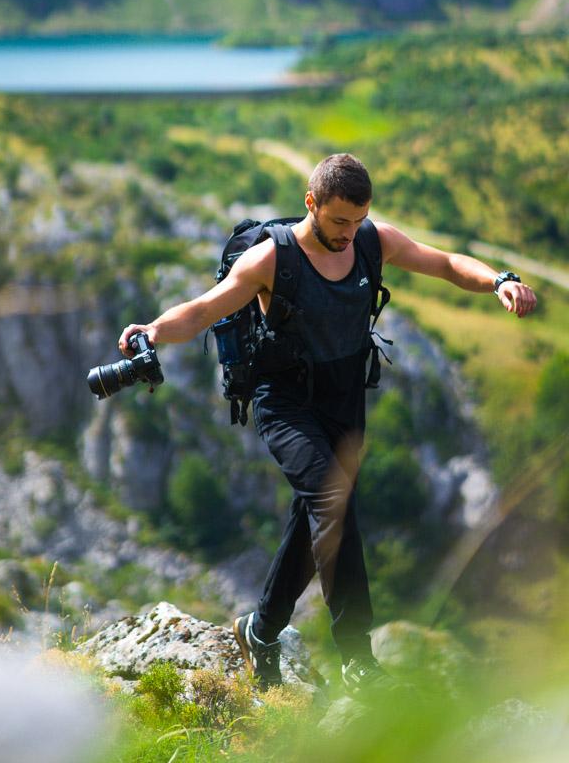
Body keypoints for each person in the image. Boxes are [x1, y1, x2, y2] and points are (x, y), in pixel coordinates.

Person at [118, 153, 537, 697]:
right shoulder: (273, 260)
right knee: (331, 502)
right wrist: (151, 329)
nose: (349, 233)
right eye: (339, 221)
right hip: (284, 399)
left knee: (314, 514)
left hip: (344, 396)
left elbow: (444, 264)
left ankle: (261, 629)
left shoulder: (370, 240)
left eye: (358, 220)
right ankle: (358, 660)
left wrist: (498, 280)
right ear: (311, 203)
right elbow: (202, 310)